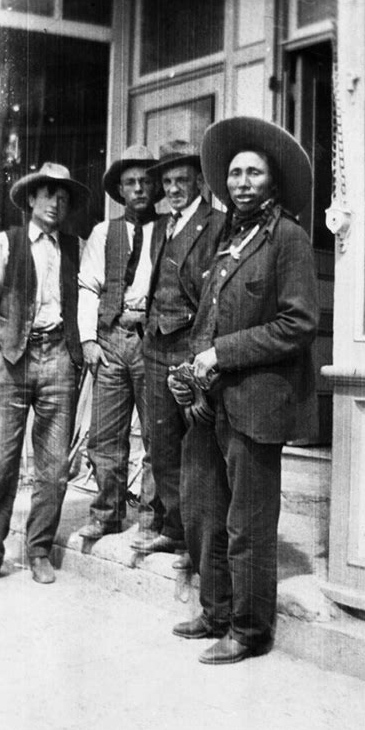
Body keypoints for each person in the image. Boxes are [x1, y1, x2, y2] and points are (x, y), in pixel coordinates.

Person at [169, 117, 319, 663]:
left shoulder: (289, 239)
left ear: (273, 182)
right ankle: (215, 612)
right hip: (209, 400)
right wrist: (192, 367)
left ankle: (250, 631)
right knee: (205, 512)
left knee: (248, 524)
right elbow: (207, 316)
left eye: (254, 172)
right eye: (234, 173)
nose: (242, 182)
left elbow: (298, 323)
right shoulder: (226, 238)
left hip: (257, 402)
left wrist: (220, 354)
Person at [0, 162, 90, 588]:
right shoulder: (6, 243)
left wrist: (78, 354)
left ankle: (38, 549)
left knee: (54, 468)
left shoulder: (78, 248)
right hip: (12, 359)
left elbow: (89, 302)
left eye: (63, 195)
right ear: (31, 199)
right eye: (47, 194)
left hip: (59, 357)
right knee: (0, 462)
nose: (55, 203)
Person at [131, 140, 225, 559]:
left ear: (200, 183)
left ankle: (200, 539)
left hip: (190, 347)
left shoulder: (218, 223)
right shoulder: (161, 226)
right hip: (155, 345)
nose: (173, 188)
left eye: (182, 180)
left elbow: (217, 294)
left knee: (197, 446)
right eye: (167, 181)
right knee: (161, 440)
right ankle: (174, 527)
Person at [77, 145, 162, 540]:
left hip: (154, 341)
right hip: (111, 341)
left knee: (157, 435)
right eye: (131, 182)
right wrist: (89, 341)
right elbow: (88, 288)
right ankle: (107, 513)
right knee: (105, 436)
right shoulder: (102, 232)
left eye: (146, 181)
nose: (139, 189)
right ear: (121, 190)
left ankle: (151, 519)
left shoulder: (170, 229)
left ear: (156, 186)